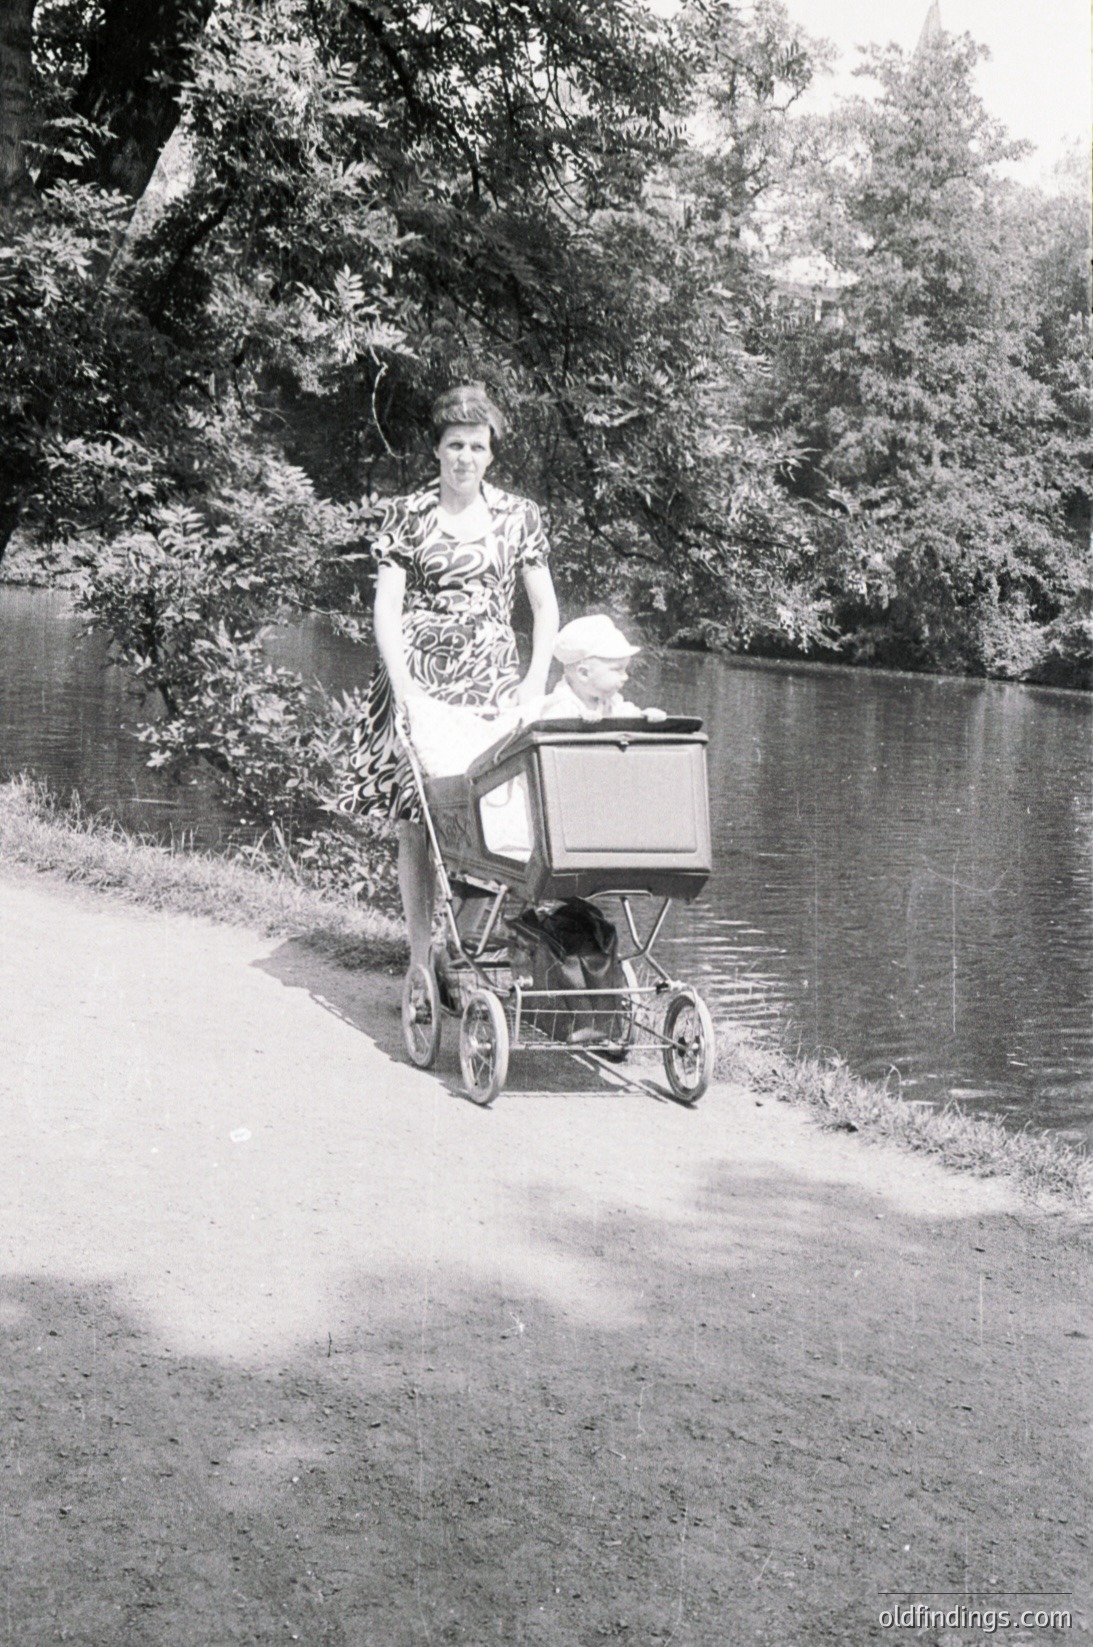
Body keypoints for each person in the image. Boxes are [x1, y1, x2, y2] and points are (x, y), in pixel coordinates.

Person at [344, 383, 559, 963]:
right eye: (454, 444)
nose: (465, 456)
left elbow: (545, 609)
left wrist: (534, 682)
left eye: (477, 446)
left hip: (491, 686)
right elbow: (387, 607)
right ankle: (419, 956)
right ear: (437, 450)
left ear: (491, 454)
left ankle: (460, 951)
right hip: (418, 681)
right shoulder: (408, 514)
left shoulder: (519, 516)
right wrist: (403, 689)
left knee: (484, 819)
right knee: (416, 822)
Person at [538, 613, 667, 723]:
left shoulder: (610, 701)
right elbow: (550, 732)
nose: (626, 677)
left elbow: (626, 715)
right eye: (617, 669)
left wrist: (643, 717)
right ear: (584, 674)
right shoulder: (560, 705)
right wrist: (578, 723)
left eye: (625, 669)